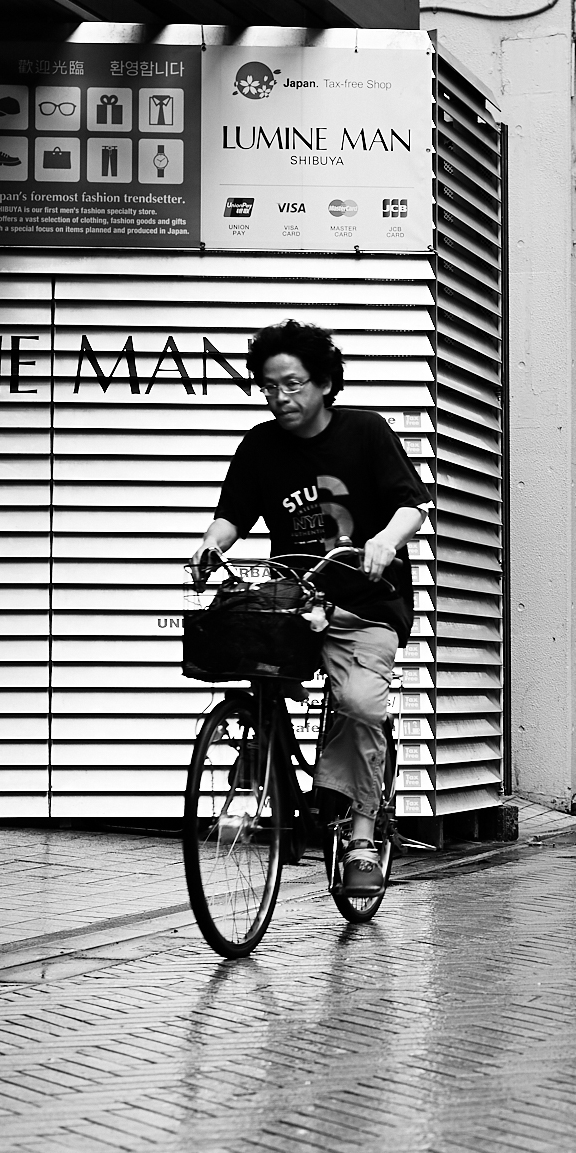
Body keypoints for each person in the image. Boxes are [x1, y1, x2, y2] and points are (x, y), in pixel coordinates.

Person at [191, 321, 432, 895]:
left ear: (324, 382)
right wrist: (208, 546)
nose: (280, 398)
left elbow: (412, 504)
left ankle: (363, 838)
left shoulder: (366, 433)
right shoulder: (259, 445)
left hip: (367, 603)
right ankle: (259, 751)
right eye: (270, 387)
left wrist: (385, 542)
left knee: (358, 705)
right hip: (296, 601)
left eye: (293, 384)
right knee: (246, 651)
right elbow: (233, 515)